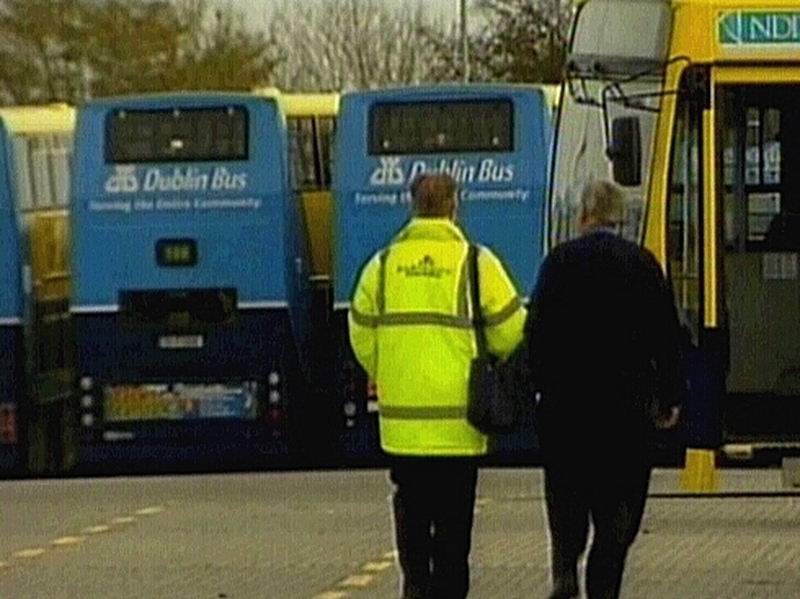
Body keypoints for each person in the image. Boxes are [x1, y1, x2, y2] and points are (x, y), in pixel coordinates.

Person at [348, 172, 526, 599]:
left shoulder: (383, 265)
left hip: (403, 426)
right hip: (459, 425)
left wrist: (390, 368)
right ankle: (448, 589)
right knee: (453, 519)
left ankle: (415, 584)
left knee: (410, 508)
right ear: (454, 206)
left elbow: (359, 334)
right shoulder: (475, 262)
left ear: (412, 206)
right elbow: (512, 331)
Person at [523, 179, 684, 599]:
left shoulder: (558, 263)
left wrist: (538, 390)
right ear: (621, 219)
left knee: (567, 498)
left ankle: (564, 565)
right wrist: (669, 398)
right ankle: (603, 582)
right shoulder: (642, 263)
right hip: (626, 413)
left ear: (583, 217)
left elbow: (534, 334)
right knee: (618, 515)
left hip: (566, 412)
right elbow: (666, 337)